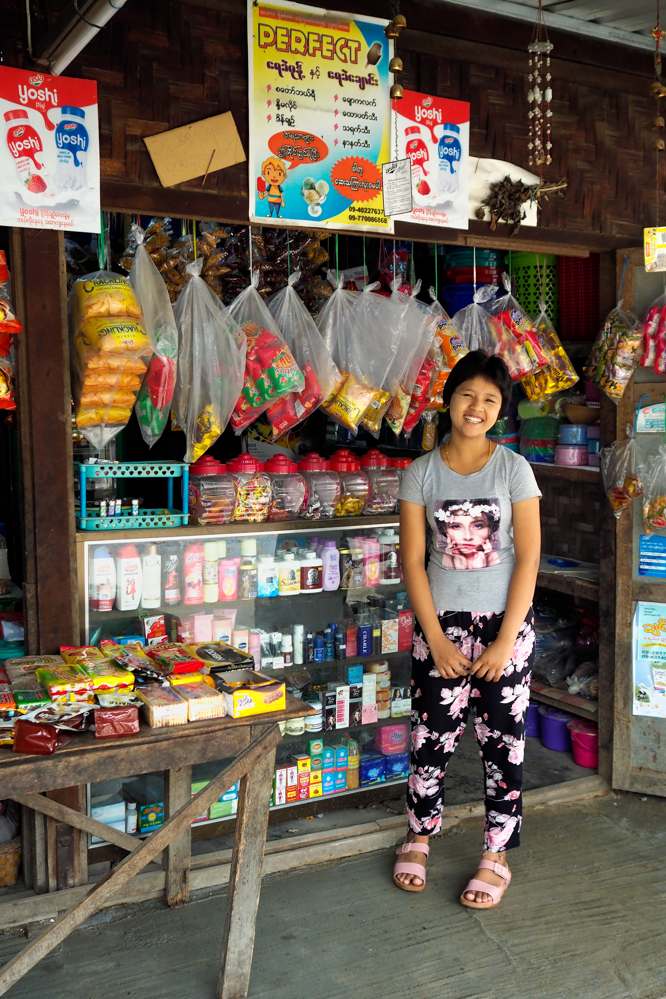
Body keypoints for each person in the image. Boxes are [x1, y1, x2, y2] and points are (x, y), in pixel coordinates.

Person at [393, 350, 541, 909]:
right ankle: (419, 834)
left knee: (503, 742)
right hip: (440, 626)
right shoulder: (420, 474)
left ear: (499, 410)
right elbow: (413, 561)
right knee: (430, 739)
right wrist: (434, 638)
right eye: (467, 395)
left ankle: (496, 852)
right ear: (448, 399)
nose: (476, 408)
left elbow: (528, 557)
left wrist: (506, 640)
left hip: (507, 626)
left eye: (490, 400)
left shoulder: (513, 470)